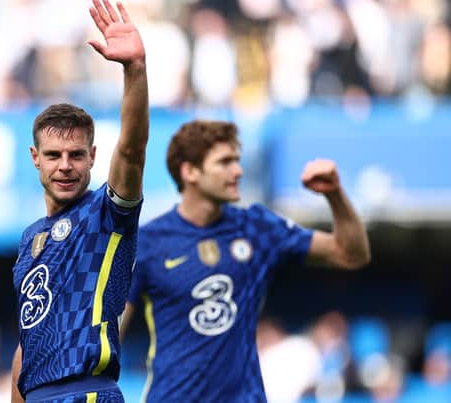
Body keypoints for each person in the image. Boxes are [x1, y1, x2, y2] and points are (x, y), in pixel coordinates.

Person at [122, 120, 371, 402]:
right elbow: (111, 332)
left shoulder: (257, 227)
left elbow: (351, 254)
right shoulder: (149, 242)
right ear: (190, 171)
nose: (238, 171)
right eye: (225, 162)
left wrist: (335, 194)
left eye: (237, 161)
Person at [10, 0, 148, 403]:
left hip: (88, 393)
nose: (64, 166)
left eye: (75, 155)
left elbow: (134, 149)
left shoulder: (107, 214)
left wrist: (135, 70)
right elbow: (27, 344)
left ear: (93, 158)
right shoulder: (28, 240)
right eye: (53, 155)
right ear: (36, 159)